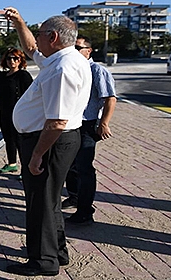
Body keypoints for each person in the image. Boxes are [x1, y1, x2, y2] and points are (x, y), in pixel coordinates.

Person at [4, 7, 92, 277]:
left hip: (50, 142)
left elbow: (56, 122)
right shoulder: (62, 59)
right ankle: (57, 252)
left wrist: (36, 156)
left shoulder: (62, 70)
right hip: (53, 140)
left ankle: (43, 261)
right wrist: (19, 22)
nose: (37, 40)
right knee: (50, 200)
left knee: (40, 203)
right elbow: (31, 48)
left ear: (53, 37)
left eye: (41, 33)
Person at [62, 36, 117, 225]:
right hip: (70, 123)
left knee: (84, 168)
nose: (75, 51)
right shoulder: (72, 69)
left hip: (87, 124)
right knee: (69, 165)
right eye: (72, 48)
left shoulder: (97, 70)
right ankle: (75, 196)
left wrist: (104, 123)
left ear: (89, 50)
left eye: (79, 48)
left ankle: (85, 211)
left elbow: (110, 98)